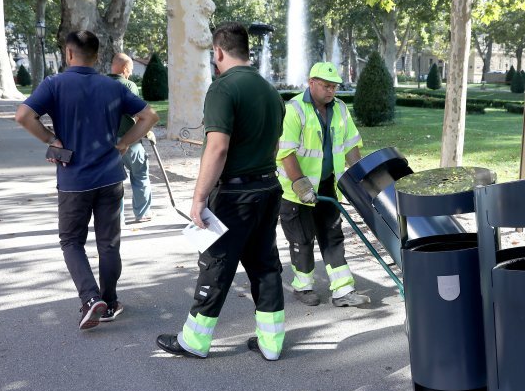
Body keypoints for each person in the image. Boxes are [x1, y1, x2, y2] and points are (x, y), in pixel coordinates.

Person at [156, 22, 286, 361]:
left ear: (218, 51)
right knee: (265, 264)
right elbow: (274, 142)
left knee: (216, 264)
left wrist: (199, 198)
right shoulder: (270, 91)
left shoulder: (223, 88)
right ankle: (271, 344)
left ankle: (195, 341)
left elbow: (217, 148)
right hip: (268, 187)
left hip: (234, 196)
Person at [15, 31, 159, 329]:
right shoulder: (113, 86)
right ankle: (109, 301)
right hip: (110, 177)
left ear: (69, 54)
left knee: (71, 241)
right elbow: (149, 117)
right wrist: (124, 143)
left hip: (73, 179)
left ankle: (91, 299)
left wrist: (52, 139)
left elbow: (23, 116)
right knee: (109, 244)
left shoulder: (54, 84)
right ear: (97, 55)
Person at [277, 62, 370, 308]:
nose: (331, 91)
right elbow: (286, 152)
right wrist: (300, 183)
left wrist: (361, 178)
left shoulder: (340, 109)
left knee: (333, 236)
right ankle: (303, 286)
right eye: (326, 86)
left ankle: (343, 290)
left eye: (334, 87)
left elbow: (351, 146)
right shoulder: (295, 109)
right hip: (296, 191)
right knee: (303, 239)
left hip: (327, 185)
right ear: (311, 83)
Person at [108, 53, 153, 223]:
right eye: (131, 69)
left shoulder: (99, 84)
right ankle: (142, 213)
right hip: (129, 139)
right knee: (140, 174)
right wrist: (147, 130)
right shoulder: (129, 85)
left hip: (106, 141)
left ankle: (116, 218)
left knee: (113, 180)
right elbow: (138, 114)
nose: (130, 73)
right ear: (125, 68)